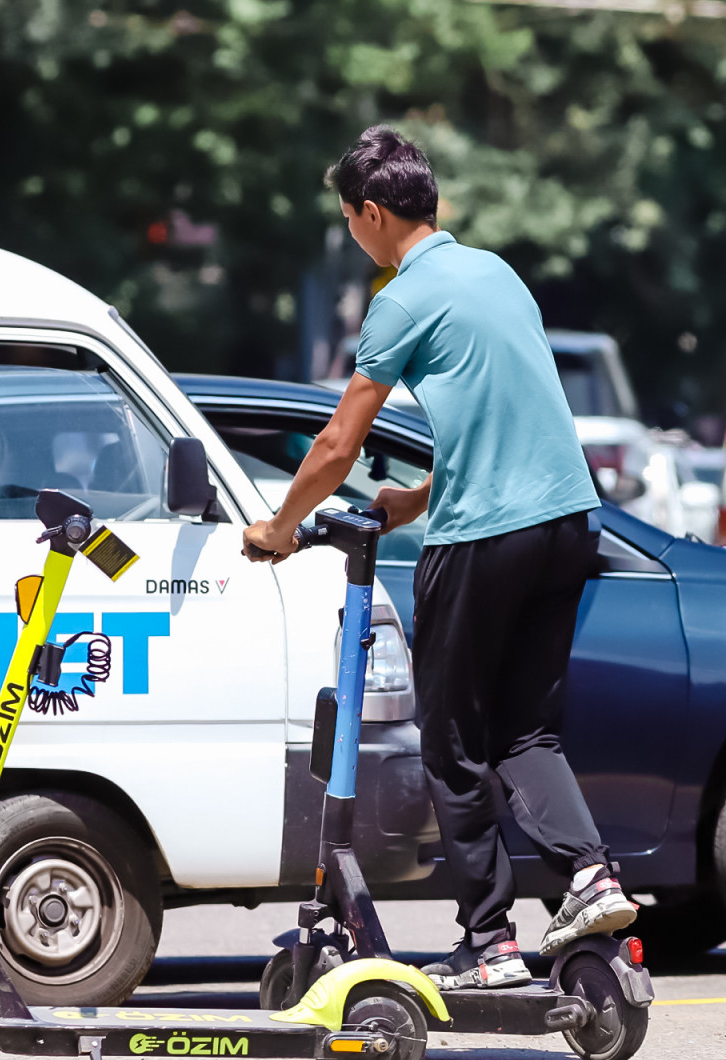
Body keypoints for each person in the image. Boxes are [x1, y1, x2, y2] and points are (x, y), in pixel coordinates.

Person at [242, 125, 637, 990]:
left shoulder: (401, 298)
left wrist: (277, 527)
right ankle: (591, 875)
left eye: (349, 218)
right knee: (526, 732)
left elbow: (339, 442)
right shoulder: (497, 273)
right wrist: (416, 499)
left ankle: (489, 943)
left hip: (486, 538)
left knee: (453, 744)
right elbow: (508, 419)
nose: (351, 233)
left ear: (374, 213)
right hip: (568, 522)